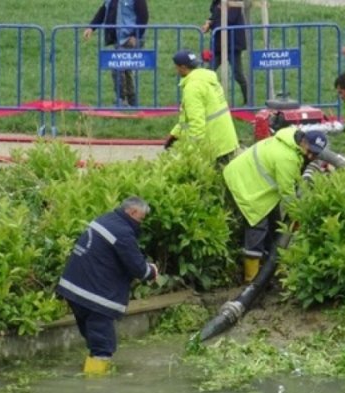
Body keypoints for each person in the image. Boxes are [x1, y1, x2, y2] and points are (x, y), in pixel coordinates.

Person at [55, 196, 159, 375]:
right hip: (94, 297)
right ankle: (95, 389)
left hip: (74, 291)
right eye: (141, 218)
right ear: (132, 212)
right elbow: (138, 269)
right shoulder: (122, 232)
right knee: (103, 347)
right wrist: (152, 271)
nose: (140, 223)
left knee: (94, 341)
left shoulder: (105, 219)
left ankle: (91, 373)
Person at [222, 126, 328, 282]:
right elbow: (287, 193)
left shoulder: (291, 141)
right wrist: (297, 216)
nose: (311, 155)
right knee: (258, 225)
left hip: (252, 180)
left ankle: (273, 269)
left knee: (276, 224)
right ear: (303, 141)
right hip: (244, 184)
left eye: (315, 153)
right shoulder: (287, 158)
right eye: (309, 150)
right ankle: (252, 280)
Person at [166, 50, 239, 166]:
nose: (176, 70)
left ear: (183, 68)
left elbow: (196, 123)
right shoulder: (208, 79)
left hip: (214, 146)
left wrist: (192, 151)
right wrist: (175, 133)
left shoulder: (192, 88)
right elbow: (187, 118)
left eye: (176, 67)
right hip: (227, 141)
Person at [83, 0, 149, 107]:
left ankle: (121, 99)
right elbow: (103, 11)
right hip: (119, 39)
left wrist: (135, 35)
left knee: (117, 66)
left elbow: (143, 16)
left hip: (130, 39)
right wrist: (91, 27)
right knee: (126, 69)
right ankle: (132, 100)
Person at [201, 0, 249, 105]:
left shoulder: (235, 3)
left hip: (233, 44)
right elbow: (214, 16)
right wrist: (208, 23)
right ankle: (204, 99)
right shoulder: (216, 3)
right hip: (219, 45)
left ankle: (248, 100)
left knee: (238, 74)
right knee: (209, 71)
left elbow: (229, 19)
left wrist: (221, 9)